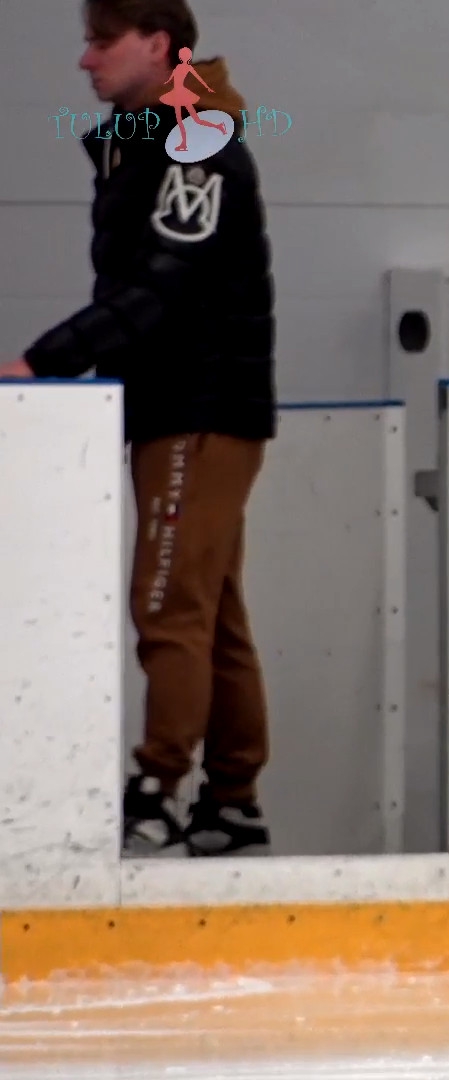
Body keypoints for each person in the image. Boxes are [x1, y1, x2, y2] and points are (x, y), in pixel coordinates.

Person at [1, 0, 276, 858]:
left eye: (101, 41)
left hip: (199, 410)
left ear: (158, 46)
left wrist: (44, 361)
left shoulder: (197, 146)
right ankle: (233, 802)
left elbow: (162, 287)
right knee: (210, 611)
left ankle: (156, 792)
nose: (85, 60)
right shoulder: (149, 143)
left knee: (166, 604)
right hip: (180, 407)